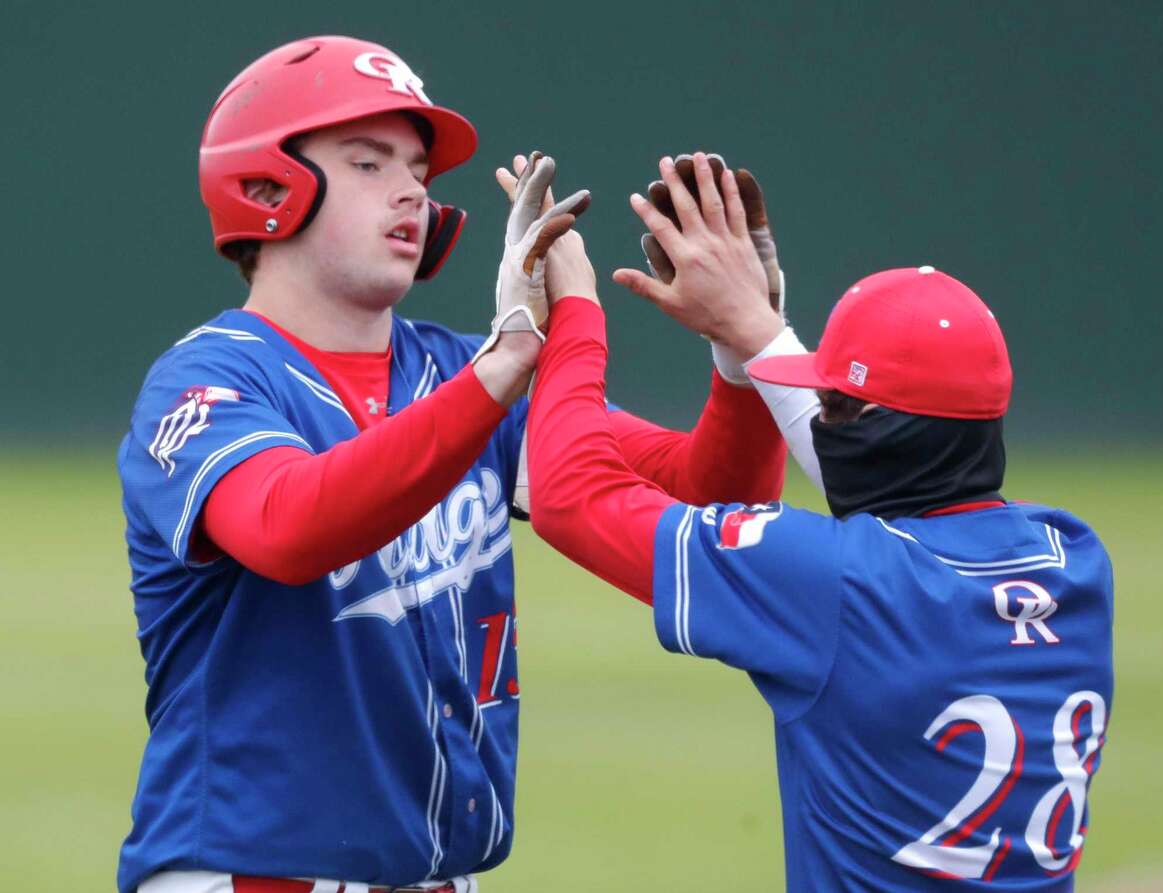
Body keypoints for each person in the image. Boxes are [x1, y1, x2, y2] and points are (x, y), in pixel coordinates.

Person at [116, 39, 788, 893]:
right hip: (249, 876)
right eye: (368, 163)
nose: (410, 190)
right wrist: (505, 365)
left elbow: (708, 506)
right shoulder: (204, 381)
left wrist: (745, 350)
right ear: (266, 189)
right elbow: (288, 527)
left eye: (418, 172)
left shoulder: (458, 374)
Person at [527, 152, 1113, 891]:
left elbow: (570, 497)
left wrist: (574, 310)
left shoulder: (835, 580)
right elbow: (895, 484)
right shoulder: (1074, 557)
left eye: (833, 405)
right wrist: (750, 329)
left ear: (880, 434)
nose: (821, 420)